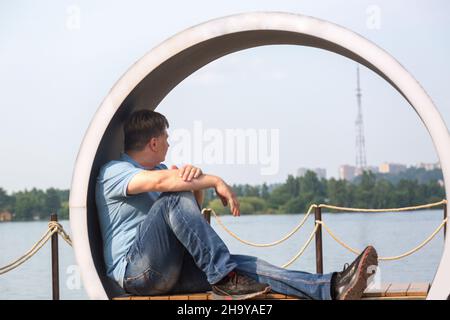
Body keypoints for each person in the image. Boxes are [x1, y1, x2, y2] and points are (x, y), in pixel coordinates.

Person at [96, 109, 379, 300]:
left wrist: (193, 184)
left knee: (249, 265)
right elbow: (162, 187)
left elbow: (188, 213)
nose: (170, 145)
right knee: (174, 197)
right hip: (137, 273)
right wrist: (214, 180)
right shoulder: (114, 172)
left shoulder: (162, 170)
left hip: (172, 270)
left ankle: (331, 287)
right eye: (167, 139)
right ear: (155, 142)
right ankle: (223, 277)